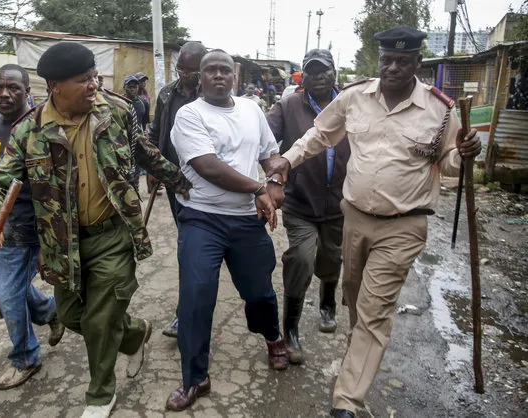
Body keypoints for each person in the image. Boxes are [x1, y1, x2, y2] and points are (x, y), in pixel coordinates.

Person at [263, 26, 482, 418]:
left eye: (403, 61)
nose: (393, 67)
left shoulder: (439, 108)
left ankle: (346, 401)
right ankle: (359, 354)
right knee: (354, 296)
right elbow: (320, 135)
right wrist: (288, 160)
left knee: (375, 309)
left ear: (418, 63)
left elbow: (448, 162)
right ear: (378, 61)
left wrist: (464, 152)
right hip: (355, 219)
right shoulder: (355, 97)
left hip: (404, 225)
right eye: (387, 60)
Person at [0, 42, 191, 418]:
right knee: (73, 316)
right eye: (84, 79)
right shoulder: (29, 131)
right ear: (55, 86)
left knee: (99, 319)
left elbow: (143, 151)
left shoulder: (118, 111)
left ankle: (100, 395)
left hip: (114, 235)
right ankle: (136, 332)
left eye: (95, 76)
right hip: (62, 243)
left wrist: (182, 181)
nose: (95, 85)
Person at [166, 49, 289, 412]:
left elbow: (270, 155)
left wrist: (276, 178)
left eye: (224, 70)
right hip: (202, 217)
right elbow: (208, 167)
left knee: (259, 291)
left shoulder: (252, 109)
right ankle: (195, 378)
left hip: (245, 221)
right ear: (200, 77)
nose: (218, 76)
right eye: (210, 70)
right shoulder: (188, 115)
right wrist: (258, 189)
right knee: (196, 295)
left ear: (233, 75)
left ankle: (272, 336)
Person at [0, 64, 65, 390]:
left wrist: (48, 238)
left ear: (28, 89)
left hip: (23, 224)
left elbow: (53, 186)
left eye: (13, 87)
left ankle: (25, 357)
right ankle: (50, 311)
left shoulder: (36, 126)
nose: (4, 93)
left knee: (9, 292)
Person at [265, 49, 350, 365]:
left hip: (340, 203)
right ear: (303, 76)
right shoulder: (288, 106)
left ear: (334, 73)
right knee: (301, 258)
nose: (318, 76)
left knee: (332, 256)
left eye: (324, 71)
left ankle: (327, 303)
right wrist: (270, 171)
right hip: (301, 202)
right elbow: (265, 137)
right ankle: (291, 331)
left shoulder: (349, 106)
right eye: (311, 71)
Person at [147, 41, 207, 338]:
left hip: (205, 183)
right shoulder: (167, 93)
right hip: (174, 180)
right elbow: (158, 130)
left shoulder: (214, 95)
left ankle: (185, 315)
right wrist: (153, 167)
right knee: (188, 242)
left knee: (192, 248)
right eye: (180, 68)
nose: (184, 74)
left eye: (190, 69)